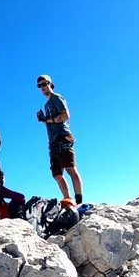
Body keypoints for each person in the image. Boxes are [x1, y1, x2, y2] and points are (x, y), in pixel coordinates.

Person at [36, 74, 84, 205]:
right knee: (57, 174)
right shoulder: (47, 105)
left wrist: (47, 119)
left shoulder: (57, 97)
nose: (42, 87)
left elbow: (65, 116)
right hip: (53, 140)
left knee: (70, 168)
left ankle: (79, 201)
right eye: (39, 85)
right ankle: (68, 200)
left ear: (50, 84)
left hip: (63, 136)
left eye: (44, 84)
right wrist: (43, 121)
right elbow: (51, 123)